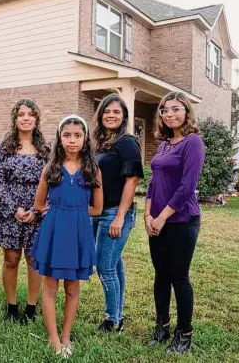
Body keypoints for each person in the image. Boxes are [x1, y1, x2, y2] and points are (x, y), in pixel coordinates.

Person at [30, 114, 103, 357]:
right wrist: (58, 213)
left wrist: (78, 215)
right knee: (50, 286)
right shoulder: (50, 168)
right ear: (60, 138)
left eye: (78, 135)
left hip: (78, 233)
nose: (72, 140)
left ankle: (66, 335)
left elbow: (98, 209)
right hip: (54, 230)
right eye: (67, 135)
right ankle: (53, 338)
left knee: (73, 288)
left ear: (86, 138)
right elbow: (39, 204)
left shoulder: (93, 169)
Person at [144, 92, 205, 354]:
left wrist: (162, 216)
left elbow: (187, 187)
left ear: (186, 111)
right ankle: (162, 326)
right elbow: (153, 182)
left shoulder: (193, 142)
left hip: (181, 219)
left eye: (175, 109)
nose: (169, 114)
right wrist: (148, 214)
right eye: (164, 110)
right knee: (161, 276)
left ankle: (184, 334)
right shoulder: (164, 145)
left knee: (179, 277)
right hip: (155, 220)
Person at [0, 99, 50, 323]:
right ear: (14, 119)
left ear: (36, 119)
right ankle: (11, 306)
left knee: (34, 259)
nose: (26, 118)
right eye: (21, 114)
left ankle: (32, 308)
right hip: (10, 210)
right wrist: (14, 209)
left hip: (38, 209)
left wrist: (38, 210)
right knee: (11, 259)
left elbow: (53, 181)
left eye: (30, 114)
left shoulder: (47, 150)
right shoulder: (2, 148)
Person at [91, 93, 144, 333]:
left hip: (115, 213)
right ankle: (118, 315)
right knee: (114, 264)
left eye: (116, 112)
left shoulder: (127, 142)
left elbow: (132, 181)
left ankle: (112, 320)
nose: (111, 116)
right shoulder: (101, 144)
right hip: (98, 212)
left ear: (123, 117)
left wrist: (120, 217)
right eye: (106, 111)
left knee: (105, 267)